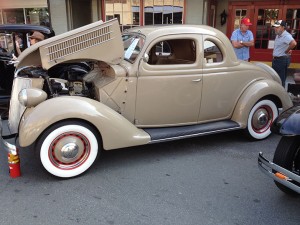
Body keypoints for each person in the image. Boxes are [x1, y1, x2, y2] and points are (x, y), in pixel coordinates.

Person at [272, 20, 297, 87]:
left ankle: (280, 95)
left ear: (283, 27)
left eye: (277, 27)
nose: (275, 28)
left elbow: (294, 43)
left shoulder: (286, 35)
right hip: (277, 60)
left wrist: (287, 50)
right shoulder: (278, 34)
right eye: (275, 27)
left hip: (281, 60)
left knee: (280, 80)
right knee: (275, 78)